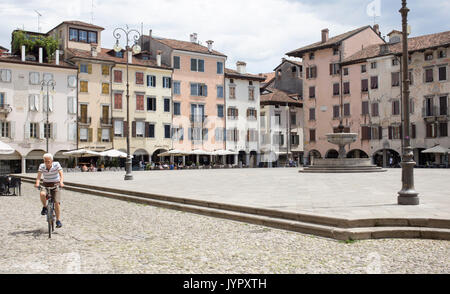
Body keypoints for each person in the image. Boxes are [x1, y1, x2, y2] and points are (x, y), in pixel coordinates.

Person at [35, 153, 65, 228]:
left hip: (55, 184)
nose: (46, 163)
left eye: (48, 161)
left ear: (52, 161)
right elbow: (38, 177)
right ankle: (45, 207)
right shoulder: (42, 166)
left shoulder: (56, 164)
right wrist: (37, 183)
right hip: (45, 184)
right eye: (45, 161)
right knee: (42, 194)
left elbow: (61, 175)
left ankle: (58, 220)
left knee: (56, 202)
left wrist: (61, 182)